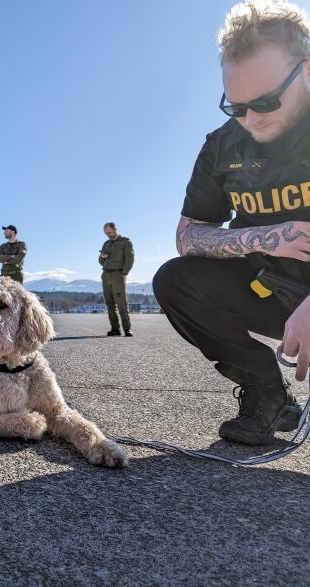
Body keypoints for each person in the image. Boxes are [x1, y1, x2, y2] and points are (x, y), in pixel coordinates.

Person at [153, 0, 309, 446]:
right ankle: (266, 391)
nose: (250, 119)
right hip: (273, 288)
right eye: (235, 106)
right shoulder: (223, 147)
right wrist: (267, 238)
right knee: (175, 281)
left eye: (265, 102)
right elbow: (187, 236)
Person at [99, 222, 134, 336]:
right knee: (109, 303)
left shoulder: (125, 242)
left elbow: (130, 258)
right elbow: (100, 261)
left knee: (121, 303)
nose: (108, 235)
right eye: (106, 233)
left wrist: (124, 273)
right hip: (106, 275)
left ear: (115, 229)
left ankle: (127, 329)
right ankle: (115, 329)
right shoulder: (106, 244)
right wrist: (103, 257)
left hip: (118, 275)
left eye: (109, 232)